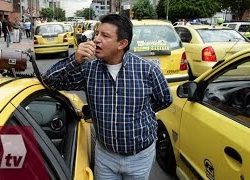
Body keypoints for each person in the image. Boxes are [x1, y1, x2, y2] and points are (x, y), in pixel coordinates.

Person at [43, 14, 172, 179]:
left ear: (122, 43)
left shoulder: (147, 70)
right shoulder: (89, 70)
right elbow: (50, 81)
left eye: (105, 35)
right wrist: (75, 60)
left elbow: (164, 100)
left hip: (140, 157)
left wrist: (138, 114)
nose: (97, 39)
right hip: (105, 157)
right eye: (97, 34)